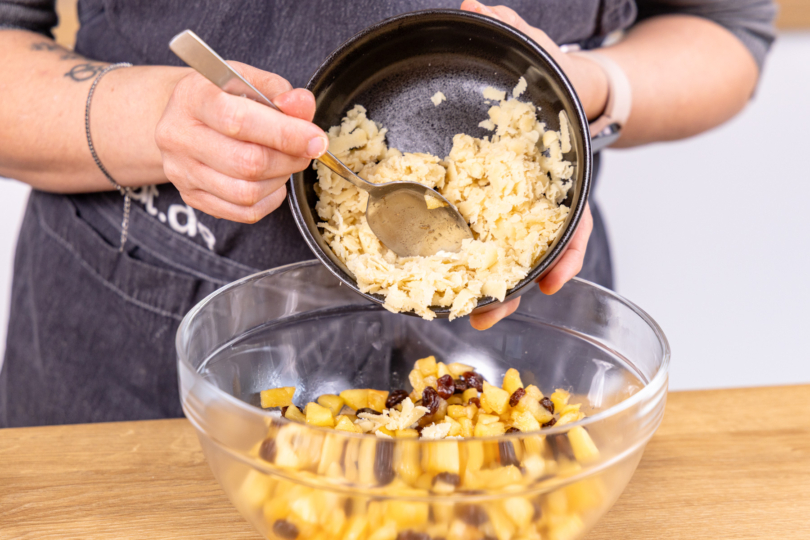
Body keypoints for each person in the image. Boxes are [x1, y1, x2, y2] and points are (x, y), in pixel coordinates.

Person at [0, 0, 775, 427]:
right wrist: (156, 121)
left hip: (523, 353)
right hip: (138, 373)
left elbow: (726, 31)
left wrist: (586, 87)